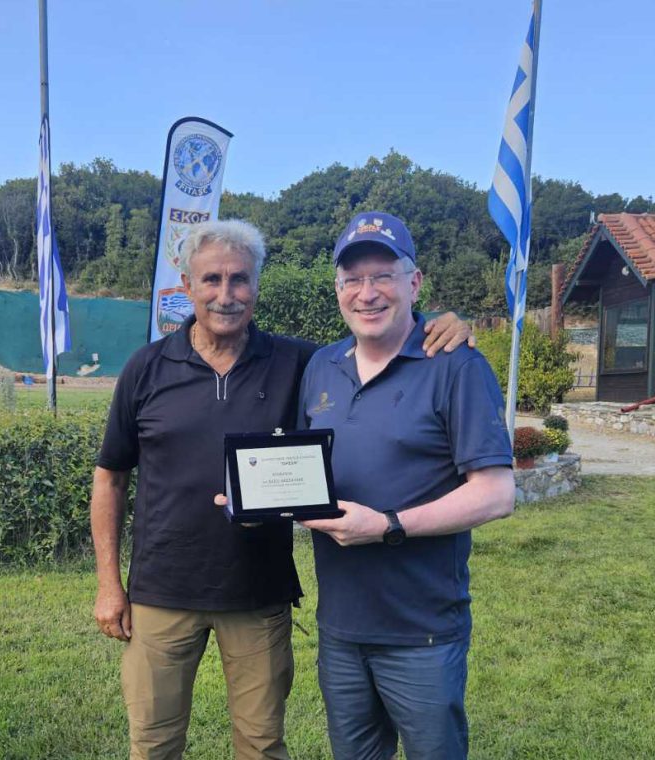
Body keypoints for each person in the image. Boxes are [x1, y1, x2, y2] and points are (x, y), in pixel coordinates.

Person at [91, 218, 473, 760]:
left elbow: (376, 338)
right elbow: (110, 476)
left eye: (240, 279)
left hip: (258, 593)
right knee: (152, 745)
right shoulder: (146, 368)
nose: (226, 294)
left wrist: (440, 325)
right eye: (212, 279)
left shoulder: (301, 363)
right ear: (187, 285)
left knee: (262, 745)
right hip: (160, 593)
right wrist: (109, 584)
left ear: (257, 285)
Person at [298, 212, 515, 760]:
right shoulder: (322, 365)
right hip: (341, 628)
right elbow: (301, 471)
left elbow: (496, 493)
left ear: (414, 283)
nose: (367, 292)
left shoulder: (456, 365)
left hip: (422, 632)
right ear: (338, 290)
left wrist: (387, 526)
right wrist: (256, 501)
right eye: (352, 279)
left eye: (382, 276)